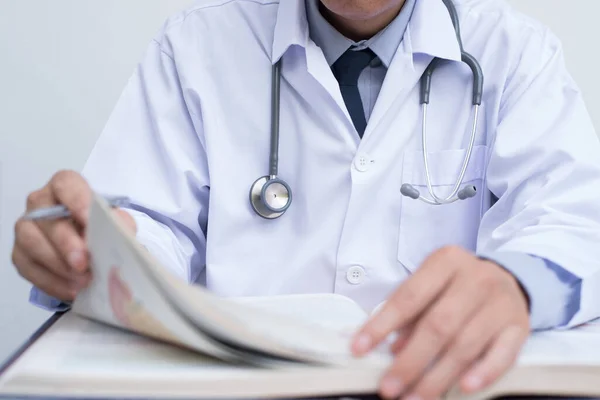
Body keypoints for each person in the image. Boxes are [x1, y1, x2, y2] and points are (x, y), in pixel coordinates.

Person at [11, 0, 600, 398]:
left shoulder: (513, 51)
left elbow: (573, 223)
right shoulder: (196, 45)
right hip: (239, 388)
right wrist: (97, 248)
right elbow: (149, 226)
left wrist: (515, 284)